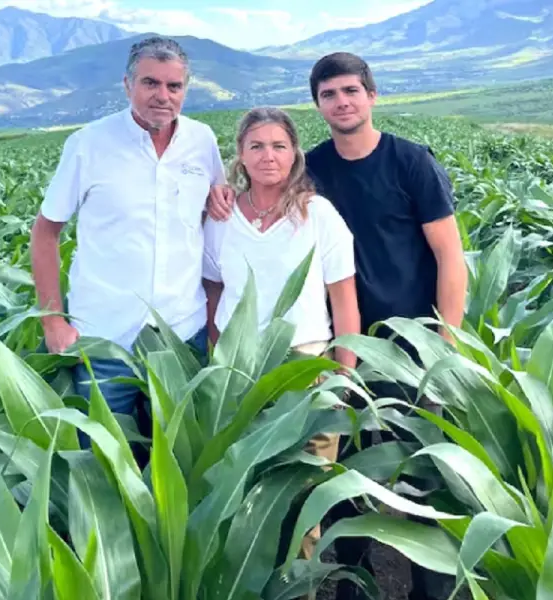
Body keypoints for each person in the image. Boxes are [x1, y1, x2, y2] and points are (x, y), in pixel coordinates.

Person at [206, 53, 467, 600]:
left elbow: (450, 255)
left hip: (407, 345)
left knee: (416, 469)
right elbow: (263, 199)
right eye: (329, 94)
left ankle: (431, 586)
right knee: (343, 476)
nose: (342, 102)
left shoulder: (410, 162)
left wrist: (444, 346)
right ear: (318, 105)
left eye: (351, 90)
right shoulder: (314, 172)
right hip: (336, 345)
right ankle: (354, 583)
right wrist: (221, 191)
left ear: (372, 95)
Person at [30, 36, 226, 444]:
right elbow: (45, 231)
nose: (162, 96)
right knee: (102, 459)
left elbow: (214, 214)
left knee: (177, 457)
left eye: (174, 86)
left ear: (185, 89)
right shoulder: (88, 144)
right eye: (150, 83)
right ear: (127, 84)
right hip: (104, 336)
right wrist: (52, 321)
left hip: (180, 332)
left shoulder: (202, 141)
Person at [202, 105, 361, 562]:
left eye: (278, 145)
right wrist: (218, 360)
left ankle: (297, 586)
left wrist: (343, 376)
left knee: (303, 497)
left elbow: (343, 299)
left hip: (306, 369)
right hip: (240, 371)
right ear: (240, 154)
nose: (267, 156)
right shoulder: (221, 218)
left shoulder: (318, 215)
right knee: (243, 491)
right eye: (256, 146)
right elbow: (213, 291)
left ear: (295, 153)